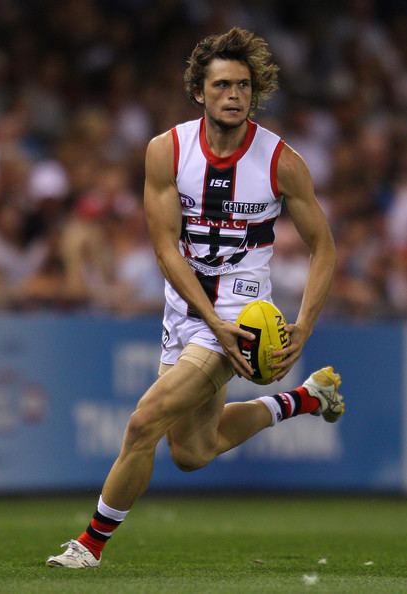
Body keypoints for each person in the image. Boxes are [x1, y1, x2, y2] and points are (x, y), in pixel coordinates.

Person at [46, 27, 344, 568]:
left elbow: (324, 247)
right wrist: (203, 317)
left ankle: (89, 546)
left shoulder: (281, 161)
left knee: (143, 422)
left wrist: (303, 325)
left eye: (245, 86)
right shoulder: (167, 150)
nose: (235, 95)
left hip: (239, 311)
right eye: (224, 85)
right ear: (200, 92)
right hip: (185, 308)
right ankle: (303, 400)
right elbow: (165, 248)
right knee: (191, 451)